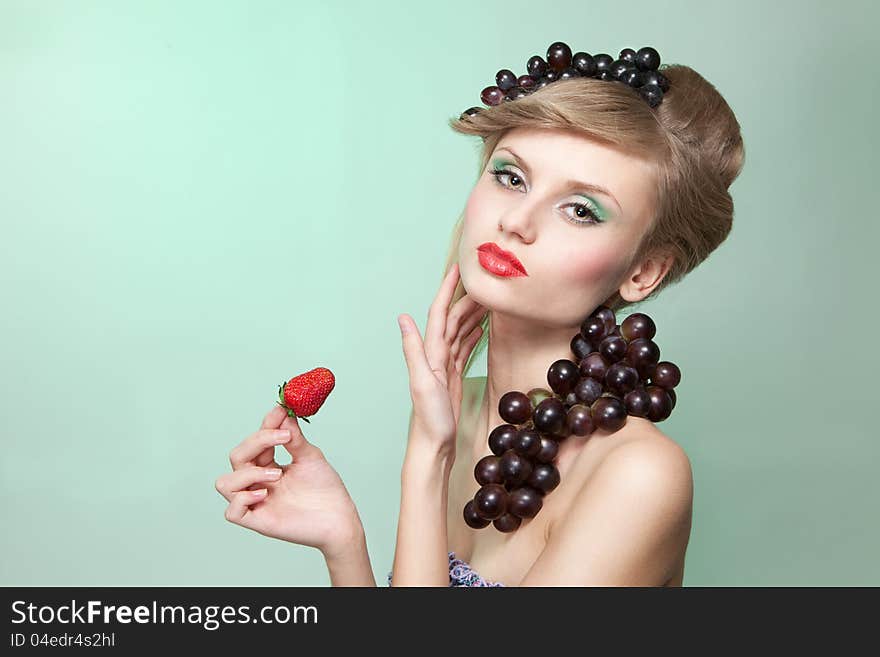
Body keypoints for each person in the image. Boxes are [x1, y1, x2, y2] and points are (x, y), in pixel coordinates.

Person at [214, 50, 745, 587]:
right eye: (511, 177)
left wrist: (428, 457)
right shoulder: (457, 405)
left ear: (644, 272)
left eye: (581, 209)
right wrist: (343, 543)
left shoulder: (638, 476)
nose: (516, 221)